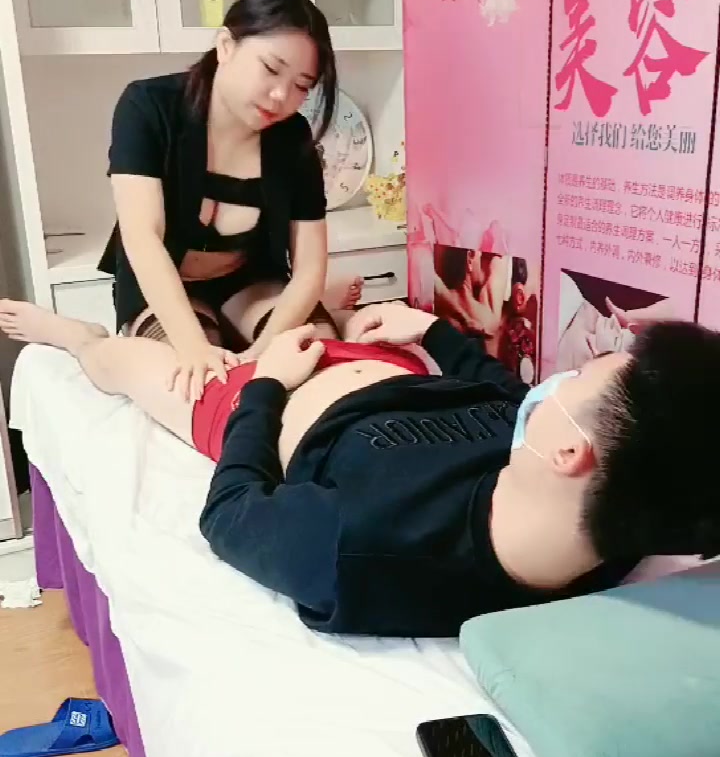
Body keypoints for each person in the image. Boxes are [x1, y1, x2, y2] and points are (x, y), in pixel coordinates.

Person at [3, 296, 720, 639]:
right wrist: (433, 331)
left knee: (125, 359)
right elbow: (506, 397)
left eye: (582, 375)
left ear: (571, 452)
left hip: (271, 398)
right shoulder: (611, 513)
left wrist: (265, 386)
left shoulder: (363, 546)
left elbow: (227, 516)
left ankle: (75, 332)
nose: (558, 381)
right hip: (398, 365)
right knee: (302, 304)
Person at [98, 0, 361, 403]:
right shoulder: (148, 105)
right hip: (167, 284)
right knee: (201, 387)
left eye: (301, 86)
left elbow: (309, 267)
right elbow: (142, 237)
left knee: (315, 363)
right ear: (226, 46)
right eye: (271, 69)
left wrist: (263, 354)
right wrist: (193, 347)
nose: (280, 95)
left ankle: (321, 312)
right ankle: (79, 337)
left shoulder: (292, 137)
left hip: (248, 282)